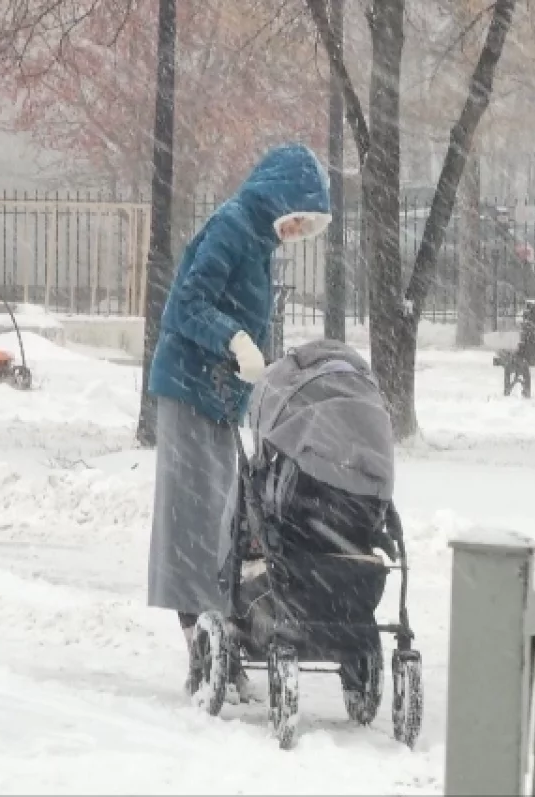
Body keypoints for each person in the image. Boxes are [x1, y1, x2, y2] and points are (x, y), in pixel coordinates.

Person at [145, 142, 331, 696]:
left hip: (218, 393)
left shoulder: (256, 238)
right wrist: (236, 340)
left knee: (223, 522)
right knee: (196, 521)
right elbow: (187, 304)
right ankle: (204, 650)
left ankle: (216, 642)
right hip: (189, 387)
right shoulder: (232, 227)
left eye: (307, 227)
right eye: (298, 219)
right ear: (280, 197)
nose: (296, 232)